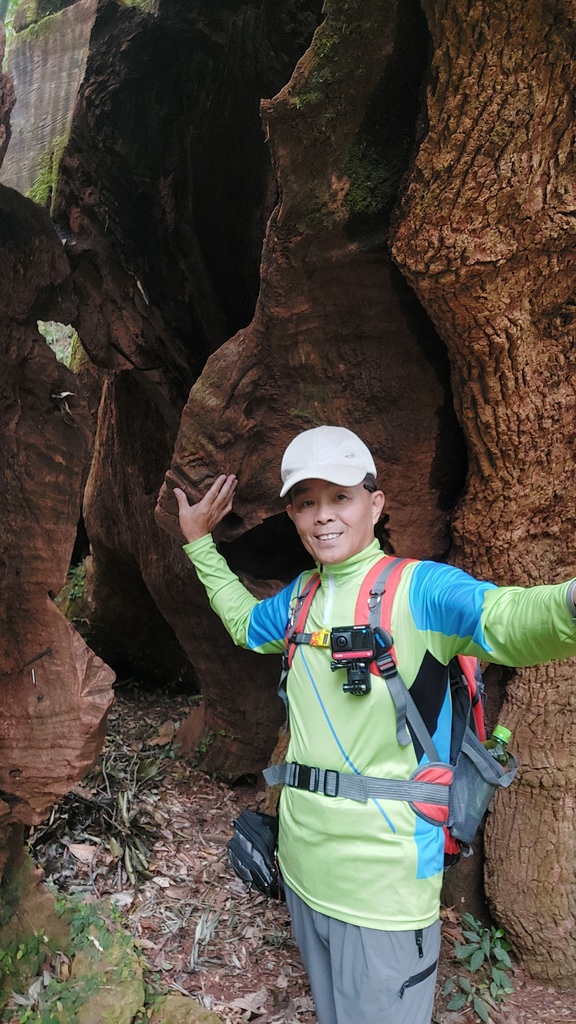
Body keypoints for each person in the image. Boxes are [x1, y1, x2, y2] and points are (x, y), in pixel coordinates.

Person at [174, 425, 576, 1024]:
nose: (323, 516)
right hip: (305, 872)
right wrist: (199, 544)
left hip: (384, 892)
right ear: (291, 514)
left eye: (340, 497)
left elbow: (508, 617)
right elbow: (242, 623)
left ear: (375, 503)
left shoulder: (421, 591)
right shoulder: (299, 599)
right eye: (306, 502)